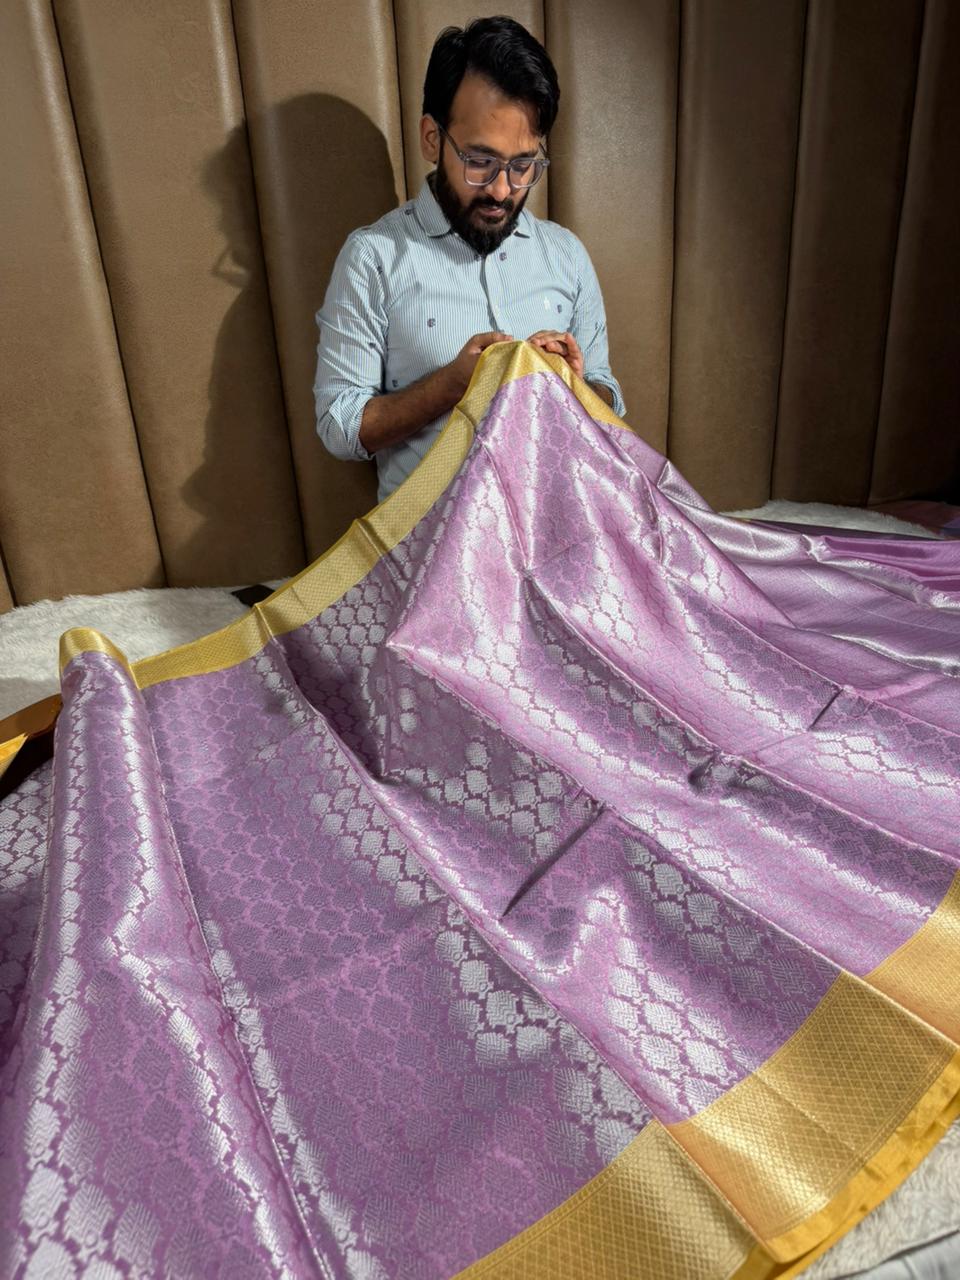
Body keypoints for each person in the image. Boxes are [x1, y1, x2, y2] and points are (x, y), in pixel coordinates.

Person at [314, 16, 625, 503]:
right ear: (433, 139)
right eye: (480, 161)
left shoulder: (565, 255)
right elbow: (340, 426)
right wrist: (450, 387)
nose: (502, 190)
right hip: (436, 546)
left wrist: (574, 386)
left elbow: (609, 401)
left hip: (563, 526)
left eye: (523, 165)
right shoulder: (372, 259)